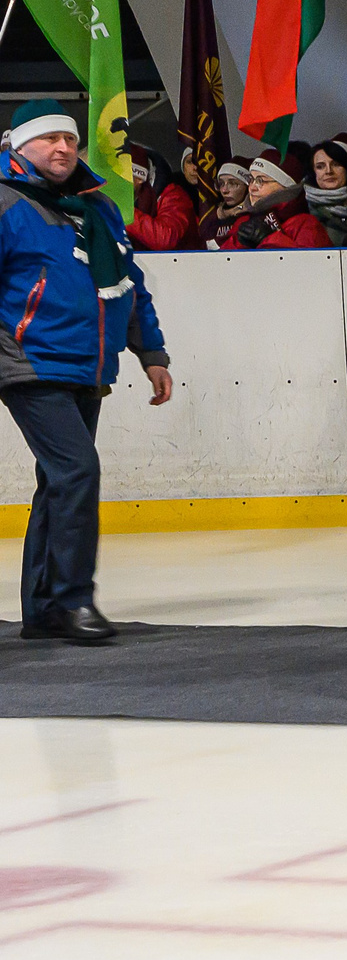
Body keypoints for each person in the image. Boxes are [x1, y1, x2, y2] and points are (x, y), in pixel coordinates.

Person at [0, 101, 174, 645]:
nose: (62, 148)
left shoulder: (97, 210)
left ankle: (44, 607)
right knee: (77, 471)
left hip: (88, 362)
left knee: (58, 480)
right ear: (19, 147)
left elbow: (131, 284)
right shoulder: (6, 204)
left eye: (69, 140)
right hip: (29, 361)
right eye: (49, 139)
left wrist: (153, 355)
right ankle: (74, 600)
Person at [224, 151, 328, 249]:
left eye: (261, 181)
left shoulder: (306, 224)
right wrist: (240, 244)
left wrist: (268, 239)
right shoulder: (243, 221)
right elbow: (219, 262)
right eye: (251, 179)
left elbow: (310, 264)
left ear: (286, 188)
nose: (252, 188)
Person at [121, 143, 198, 251]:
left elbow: (166, 239)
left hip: (186, 265)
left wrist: (124, 212)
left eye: (120, 176)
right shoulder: (122, 199)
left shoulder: (175, 196)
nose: (114, 183)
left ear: (139, 177)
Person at [196, 156, 255, 248]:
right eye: (221, 184)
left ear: (248, 186)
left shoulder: (254, 217)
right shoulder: (213, 217)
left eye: (233, 183)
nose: (224, 190)